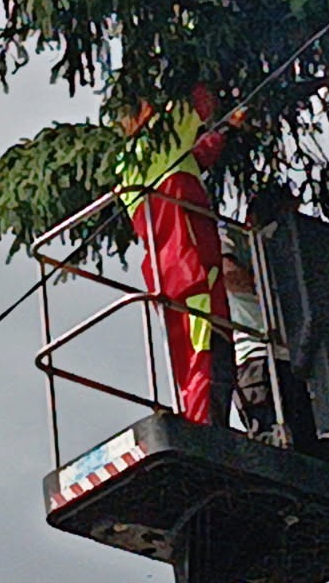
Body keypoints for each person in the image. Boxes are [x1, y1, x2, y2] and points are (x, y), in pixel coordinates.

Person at [114, 83, 233, 426]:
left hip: (166, 272)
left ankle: (200, 420)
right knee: (209, 349)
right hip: (193, 260)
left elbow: (191, 160)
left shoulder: (128, 166)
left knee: (188, 354)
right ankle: (208, 426)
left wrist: (226, 130)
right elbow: (198, 100)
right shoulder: (162, 135)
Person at [220, 205, 329, 464]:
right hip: (257, 353)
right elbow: (230, 275)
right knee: (273, 442)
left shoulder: (289, 247)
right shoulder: (234, 236)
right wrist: (268, 288)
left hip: (298, 359)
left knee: (315, 446)